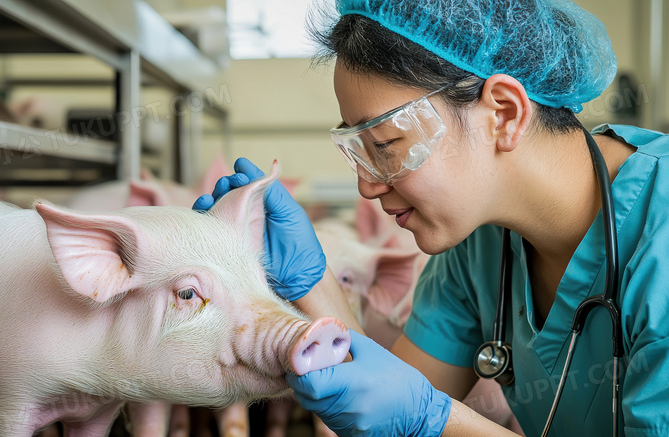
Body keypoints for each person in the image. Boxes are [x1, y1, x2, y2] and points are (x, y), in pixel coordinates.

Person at [194, 0, 669, 435]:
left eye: (385, 147)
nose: (367, 185)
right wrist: (309, 283)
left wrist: (432, 419)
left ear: (503, 114)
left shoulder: (659, 234)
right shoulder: (479, 244)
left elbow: (418, 407)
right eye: (357, 151)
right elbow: (389, 395)